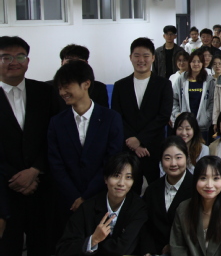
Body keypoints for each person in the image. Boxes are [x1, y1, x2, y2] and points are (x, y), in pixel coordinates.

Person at [48, 60, 124, 243]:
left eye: (66, 86)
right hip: (68, 202)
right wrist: (74, 196)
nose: (62, 92)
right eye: (59, 88)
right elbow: (55, 164)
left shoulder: (111, 118)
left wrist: (86, 196)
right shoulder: (57, 122)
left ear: (86, 84)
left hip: (101, 197)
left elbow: (112, 160)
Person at [0, 37, 58, 255]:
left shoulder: (45, 92)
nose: (14, 62)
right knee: (8, 247)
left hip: (41, 187)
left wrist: (35, 170)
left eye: (20, 56)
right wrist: (16, 177)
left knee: (43, 246)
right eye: (6, 57)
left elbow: (54, 136)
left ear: (28, 60)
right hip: (5, 190)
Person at [111, 37, 172, 194]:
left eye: (146, 56)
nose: (141, 60)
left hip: (153, 147)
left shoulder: (163, 84)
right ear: (130, 57)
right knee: (129, 191)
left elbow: (163, 116)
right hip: (128, 148)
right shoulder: (120, 86)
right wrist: (134, 143)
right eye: (137, 55)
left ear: (153, 58)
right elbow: (117, 117)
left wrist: (140, 140)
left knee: (156, 191)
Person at [56, 152, 148, 256]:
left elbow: (121, 249)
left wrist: (94, 246)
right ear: (105, 179)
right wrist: (93, 240)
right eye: (116, 176)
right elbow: (63, 249)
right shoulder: (87, 207)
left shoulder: (138, 207)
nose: (121, 183)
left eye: (128, 177)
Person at [170, 156, 221, 256]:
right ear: (195, 180)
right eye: (203, 178)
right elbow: (178, 248)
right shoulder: (183, 209)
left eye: (216, 178)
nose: (209, 185)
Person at [140, 137, 193, 256]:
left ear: (187, 157)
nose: (173, 163)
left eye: (178, 157)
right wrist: (148, 251)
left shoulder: (196, 188)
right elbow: (145, 224)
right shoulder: (152, 190)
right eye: (167, 158)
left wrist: (174, 247)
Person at [172, 50, 215, 139]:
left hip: (202, 125)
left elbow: (212, 101)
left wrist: (207, 117)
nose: (196, 64)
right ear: (189, 63)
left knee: (201, 147)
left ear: (203, 63)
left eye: (199, 61)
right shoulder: (182, 79)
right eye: (193, 61)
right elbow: (173, 99)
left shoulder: (209, 80)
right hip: (184, 125)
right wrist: (177, 114)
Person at [52, 44, 109, 109]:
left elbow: (103, 112)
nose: (73, 65)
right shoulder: (49, 87)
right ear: (62, 63)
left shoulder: (99, 88)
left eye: (78, 62)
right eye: (69, 61)